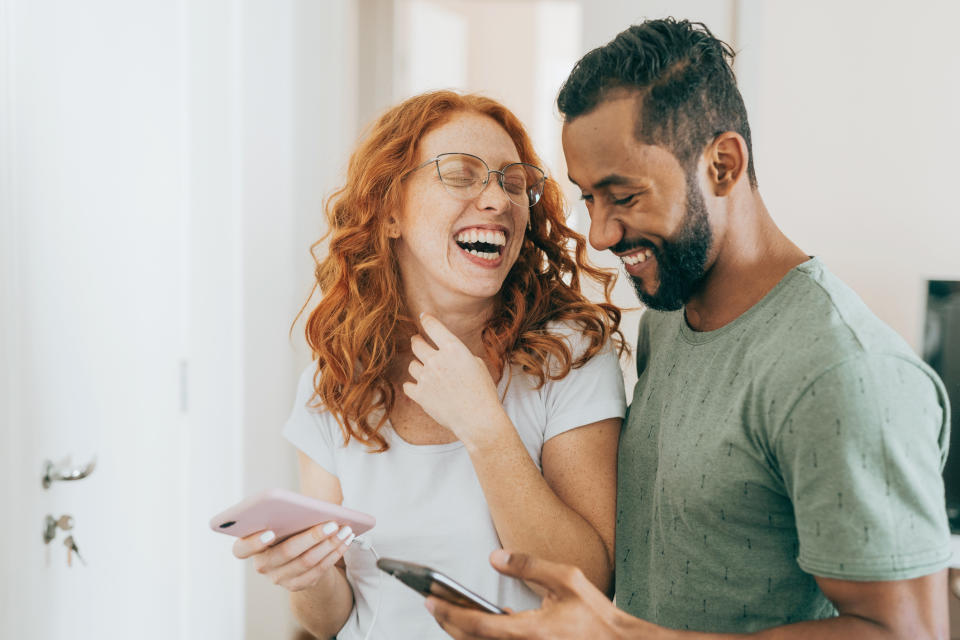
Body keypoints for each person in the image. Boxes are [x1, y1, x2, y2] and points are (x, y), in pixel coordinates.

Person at [428, 18, 953, 640]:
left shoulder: (844, 373)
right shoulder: (669, 319)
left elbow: (905, 634)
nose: (599, 233)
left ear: (723, 164)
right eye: (588, 198)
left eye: (623, 196)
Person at [231, 90, 628, 640]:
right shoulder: (334, 383)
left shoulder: (568, 356)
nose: (499, 200)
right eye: (462, 175)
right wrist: (305, 576)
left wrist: (484, 428)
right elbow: (330, 621)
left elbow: (586, 583)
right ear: (390, 211)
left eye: (514, 182)